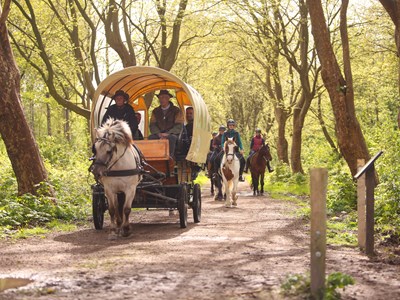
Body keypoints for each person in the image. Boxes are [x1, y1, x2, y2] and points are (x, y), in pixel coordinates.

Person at [148, 90, 184, 156]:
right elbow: (152, 124)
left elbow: (179, 125)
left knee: (171, 138)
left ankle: (169, 159)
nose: (162, 99)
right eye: (160, 97)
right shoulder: (155, 111)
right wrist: (158, 133)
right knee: (151, 138)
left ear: (168, 98)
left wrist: (168, 133)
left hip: (172, 133)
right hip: (159, 133)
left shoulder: (176, 110)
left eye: (164, 97)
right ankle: (153, 157)